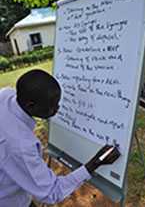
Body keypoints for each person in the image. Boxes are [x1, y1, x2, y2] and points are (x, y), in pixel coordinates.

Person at [0, 69, 120, 207]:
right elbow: (53, 192)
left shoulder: (5, 95)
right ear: (31, 106)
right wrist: (95, 163)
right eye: (51, 106)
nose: (57, 109)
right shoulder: (20, 146)